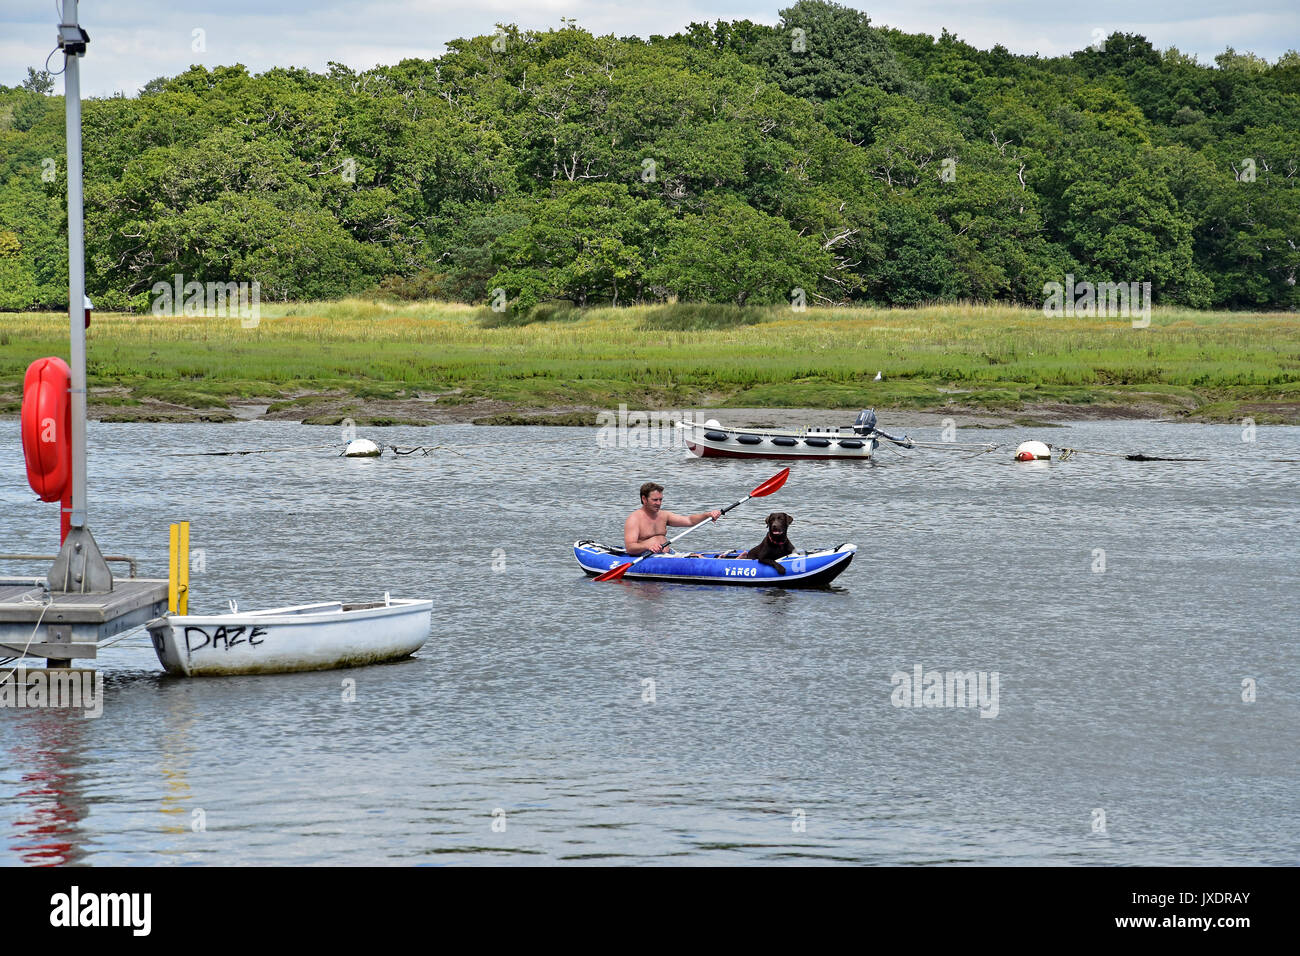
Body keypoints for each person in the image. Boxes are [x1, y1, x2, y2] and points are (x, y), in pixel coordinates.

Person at [623, 482, 722, 555]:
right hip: (646, 555)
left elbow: (689, 520)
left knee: (697, 556)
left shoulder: (664, 515)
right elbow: (630, 547)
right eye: (655, 500)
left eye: (660, 499)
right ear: (644, 499)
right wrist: (648, 546)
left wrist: (707, 515)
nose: (659, 503)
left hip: (667, 553)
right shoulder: (634, 519)